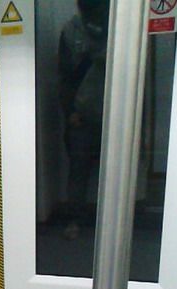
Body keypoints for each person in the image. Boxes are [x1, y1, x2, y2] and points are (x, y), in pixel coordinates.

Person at [58, 0, 109, 240]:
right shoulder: (71, 31)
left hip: (116, 114)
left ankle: (112, 224)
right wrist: (69, 112)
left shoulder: (122, 25)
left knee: (114, 173)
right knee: (78, 171)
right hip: (82, 113)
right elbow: (65, 76)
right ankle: (74, 220)